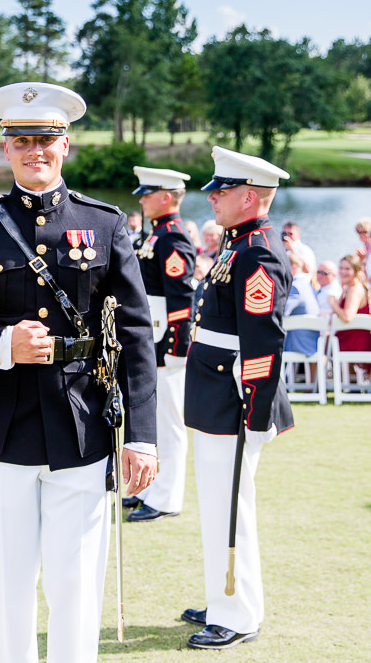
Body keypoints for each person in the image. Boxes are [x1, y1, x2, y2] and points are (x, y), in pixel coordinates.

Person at [0, 82, 157, 663]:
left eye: (46, 138)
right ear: (5, 148)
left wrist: (141, 435)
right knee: (8, 583)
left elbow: (137, 335)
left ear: (66, 145)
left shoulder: (106, 224)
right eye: (22, 140)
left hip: (80, 421)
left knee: (75, 582)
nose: (34, 149)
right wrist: (2, 342)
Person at [181, 146, 293, 650]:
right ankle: (222, 595)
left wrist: (255, 411)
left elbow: (263, 342)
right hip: (215, 392)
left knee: (231, 508)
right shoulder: (238, 244)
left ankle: (239, 613)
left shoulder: (259, 252)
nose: (212, 200)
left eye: (221, 192)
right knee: (216, 504)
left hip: (234, 397)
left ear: (249, 197)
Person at [124, 166, 195, 523]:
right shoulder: (157, 236)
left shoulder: (173, 238)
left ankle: (166, 499)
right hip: (151, 339)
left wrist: (174, 349)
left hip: (165, 344)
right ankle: (149, 490)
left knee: (169, 425)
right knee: (152, 421)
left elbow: (183, 300)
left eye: (147, 193)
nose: (141, 199)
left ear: (166, 196)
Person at [283, 251, 320, 357]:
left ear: (293, 268)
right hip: (312, 341)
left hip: (298, 343)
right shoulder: (308, 285)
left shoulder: (295, 287)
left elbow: (282, 313)